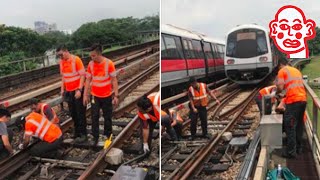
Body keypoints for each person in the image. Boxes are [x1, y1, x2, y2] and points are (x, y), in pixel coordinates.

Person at [83, 43, 119, 146]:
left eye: (94, 55)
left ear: (99, 54)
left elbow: (114, 80)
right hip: (95, 95)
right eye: (91, 56)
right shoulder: (91, 64)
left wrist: (116, 95)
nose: (92, 58)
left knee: (107, 117)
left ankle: (108, 136)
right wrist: (85, 95)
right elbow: (88, 79)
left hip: (107, 96)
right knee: (94, 116)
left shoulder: (109, 63)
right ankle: (95, 137)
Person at [275, 60, 306, 158]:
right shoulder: (296, 70)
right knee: (299, 125)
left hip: (293, 101)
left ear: (280, 65)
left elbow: (280, 87)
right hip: (302, 100)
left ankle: (291, 152)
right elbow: (294, 86)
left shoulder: (282, 71)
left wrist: (277, 91)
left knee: (290, 125)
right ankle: (299, 149)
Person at [57, 45, 87, 143]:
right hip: (69, 91)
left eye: (61, 55)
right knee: (73, 113)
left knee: (80, 113)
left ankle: (83, 134)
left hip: (77, 91)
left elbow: (82, 75)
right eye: (59, 56)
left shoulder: (76, 60)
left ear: (66, 51)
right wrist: (62, 89)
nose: (60, 57)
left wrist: (79, 89)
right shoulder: (61, 62)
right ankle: (77, 132)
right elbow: (64, 77)